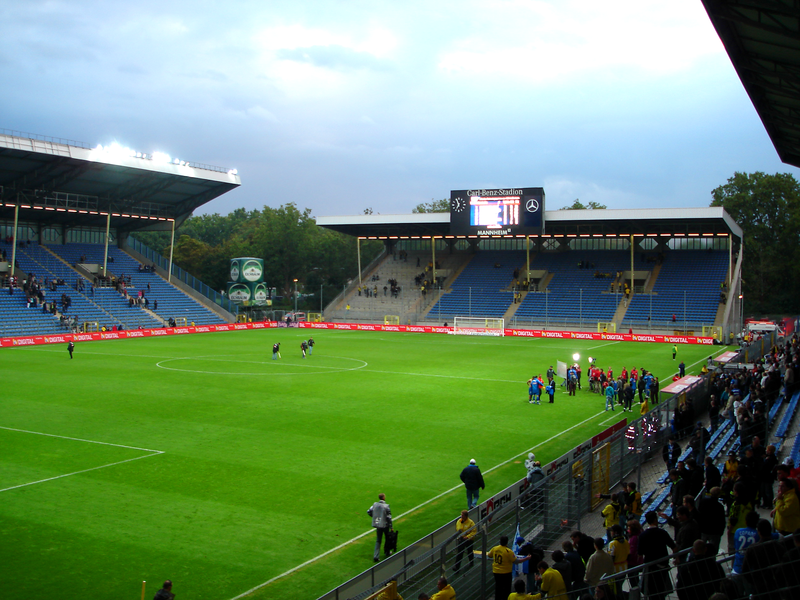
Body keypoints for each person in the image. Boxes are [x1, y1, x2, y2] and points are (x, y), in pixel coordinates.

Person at [637, 511, 676, 600]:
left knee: (651, 591)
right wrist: (676, 558)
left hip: (649, 568)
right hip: (663, 566)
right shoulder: (662, 532)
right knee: (661, 590)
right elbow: (674, 547)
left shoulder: (642, 535)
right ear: (655, 520)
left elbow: (639, 553)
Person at [487, 535, 530, 600]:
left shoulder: (495, 548)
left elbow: (489, 555)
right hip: (506, 572)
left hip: (496, 571)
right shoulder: (508, 551)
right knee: (506, 589)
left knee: (498, 588)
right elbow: (516, 561)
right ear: (507, 542)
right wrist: (526, 558)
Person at [367, 493, 392, 562]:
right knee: (387, 538)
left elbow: (368, 511)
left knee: (378, 540)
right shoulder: (386, 506)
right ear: (384, 498)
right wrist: (391, 527)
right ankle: (387, 552)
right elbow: (389, 517)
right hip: (385, 525)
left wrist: (374, 517)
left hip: (378, 525)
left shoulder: (375, 505)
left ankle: (376, 556)